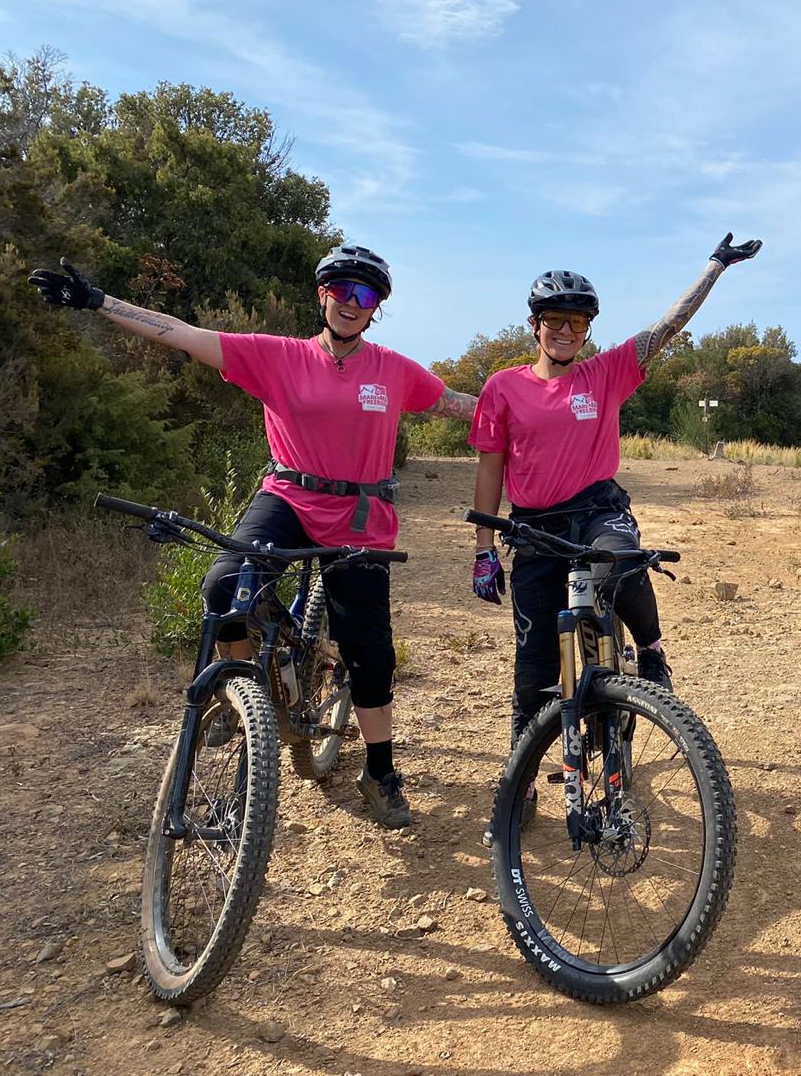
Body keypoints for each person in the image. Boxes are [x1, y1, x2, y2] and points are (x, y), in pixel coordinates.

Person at [28, 246, 476, 829]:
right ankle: (242, 693)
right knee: (224, 586)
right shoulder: (277, 357)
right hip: (288, 496)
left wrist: (535, 406)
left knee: (370, 651)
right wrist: (97, 301)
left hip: (360, 515)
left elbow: (459, 404)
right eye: (340, 290)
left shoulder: (393, 369)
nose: (350, 302)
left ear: (377, 309)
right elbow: (183, 335)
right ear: (322, 296)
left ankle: (381, 770)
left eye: (364, 296)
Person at [467, 232, 763, 757]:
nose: (564, 330)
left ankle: (650, 654)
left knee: (621, 560)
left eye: (577, 322)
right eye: (554, 320)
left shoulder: (606, 374)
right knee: (533, 668)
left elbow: (666, 328)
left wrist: (715, 267)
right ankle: (523, 779)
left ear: (587, 331)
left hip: (597, 509)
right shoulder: (502, 388)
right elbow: (491, 470)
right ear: (534, 326)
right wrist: (484, 550)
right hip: (534, 526)